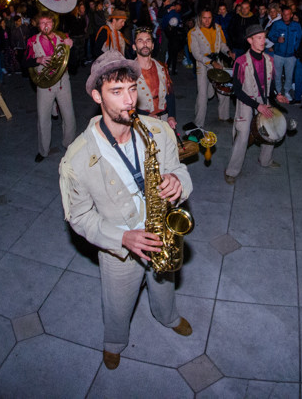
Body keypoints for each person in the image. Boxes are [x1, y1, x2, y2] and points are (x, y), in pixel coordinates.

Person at [58, 50, 193, 371]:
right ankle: (114, 341)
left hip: (161, 230)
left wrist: (178, 181)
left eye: (132, 89)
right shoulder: (76, 160)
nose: (129, 100)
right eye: (116, 92)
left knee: (165, 284)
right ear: (96, 95)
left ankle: (167, 316)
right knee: (118, 303)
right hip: (119, 244)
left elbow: (180, 169)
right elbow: (79, 217)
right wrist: (123, 238)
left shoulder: (157, 131)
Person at [224, 25, 288, 185]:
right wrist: (256, 105)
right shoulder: (241, 61)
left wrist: (276, 96)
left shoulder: (269, 60)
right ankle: (231, 171)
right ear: (250, 40)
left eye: (263, 37)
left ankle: (265, 160)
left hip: (263, 99)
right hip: (246, 99)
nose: (263, 41)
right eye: (258, 38)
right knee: (243, 134)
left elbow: (271, 86)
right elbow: (237, 91)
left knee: (271, 127)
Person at [26, 12, 77, 163]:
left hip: (62, 82)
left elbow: (73, 64)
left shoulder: (63, 37)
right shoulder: (32, 42)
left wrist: (72, 48)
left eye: (48, 22)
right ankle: (43, 150)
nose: (46, 25)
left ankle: (70, 144)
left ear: (53, 23)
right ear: (38, 25)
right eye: (42, 23)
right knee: (43, 118)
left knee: (69, 115)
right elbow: (24, 63)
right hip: (44, 84)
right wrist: (38, 59)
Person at [187, 10, 232, 128]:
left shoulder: (217, 28)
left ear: (213, 18)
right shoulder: (194, 33)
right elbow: (196, 54)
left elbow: (221, 44)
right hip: (203, 65)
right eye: (204, 18)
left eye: (209, 18)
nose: (207, 21)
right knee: (202, 95)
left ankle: (224, 116)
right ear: (200, 18)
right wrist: (211, 62)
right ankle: (198, 122)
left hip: (218, 62)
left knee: (224, 90)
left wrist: (228, 52)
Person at [133, 28, 177, 129]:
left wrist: (171, 116)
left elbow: (170, 94)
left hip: (164, 119)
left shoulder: (161, 68)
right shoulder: (129, 73)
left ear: (152, 46)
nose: (145, 44)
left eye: (148, 40)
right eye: (140, 41)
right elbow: (124, 104)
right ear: (134, 47)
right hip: (141, 121)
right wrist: (144, 115)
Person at [266, 7, 302, 102]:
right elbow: (270, 35)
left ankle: (286, 91)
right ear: (282, 14)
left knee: (289, 75)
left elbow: (300, 38)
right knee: (277, 74)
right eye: (284, 14)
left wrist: (296, 50)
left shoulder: (296, 25)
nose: (286, 16)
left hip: (291, 55)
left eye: (288, 14)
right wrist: (277, 39)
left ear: (291, 15)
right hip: (278, 54)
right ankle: (278, 92)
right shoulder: (277, 24)